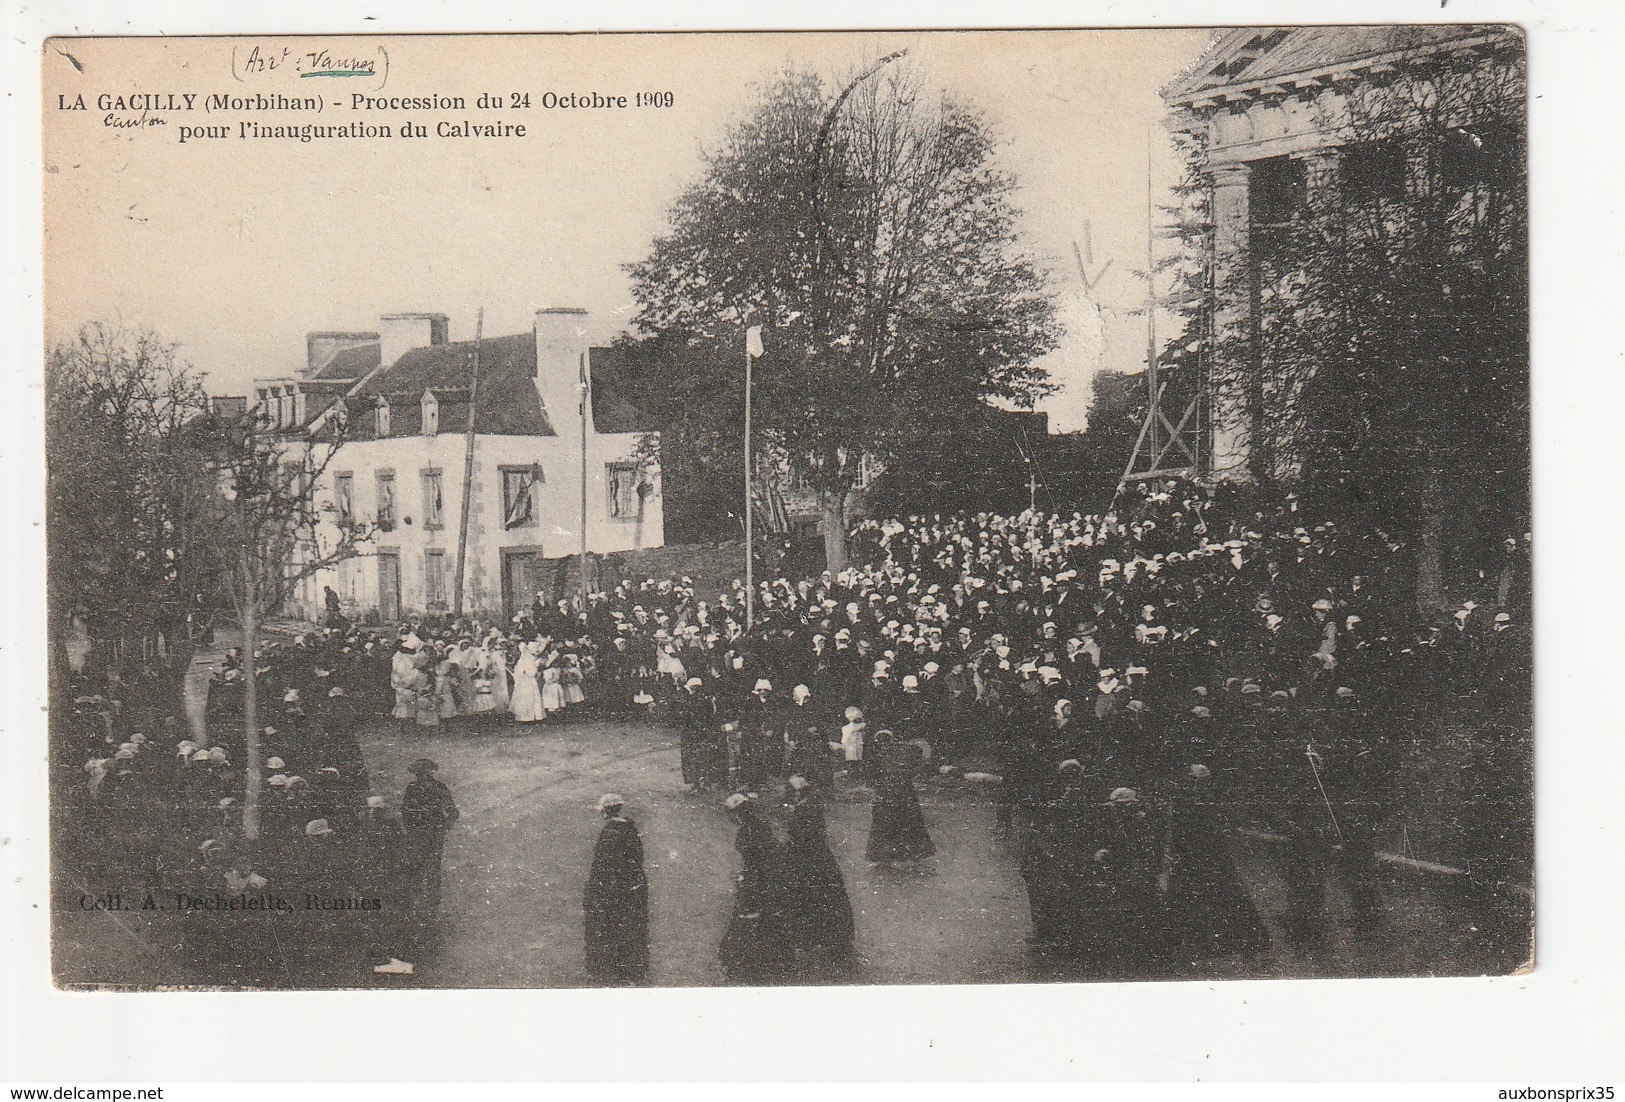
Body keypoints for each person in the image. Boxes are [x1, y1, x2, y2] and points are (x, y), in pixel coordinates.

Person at [781, 776, 855, 974]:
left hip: (807, 861)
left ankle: (813, 938)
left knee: (809, 898)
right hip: (820, 859)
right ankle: (832, 937)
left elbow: (799, 838)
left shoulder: (804, 811)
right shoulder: (811, 806)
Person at [718, 793, 790, 984]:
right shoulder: (760, 825)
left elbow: (757, 857)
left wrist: (747, 876)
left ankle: (751, 958)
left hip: (760, 876)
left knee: (751, 913)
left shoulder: (747, 832)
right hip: (766, 874)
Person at [583, 793, 650, 985]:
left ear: (605, 812)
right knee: (631, 925)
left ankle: (613, 965)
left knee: (610, 924)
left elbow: (602, 864)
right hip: (633, 884)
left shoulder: (609, 832)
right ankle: (633, 964)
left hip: (614, 887)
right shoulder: (630, 828)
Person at [865, 730, 936, 866]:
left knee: (885, 825)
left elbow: (871, 777)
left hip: (886, 794)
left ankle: (885, 856)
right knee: (909, 822)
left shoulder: (878, 756)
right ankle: (914, 854)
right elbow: (918, 768)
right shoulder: (905, 753)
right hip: (904, 793)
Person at [400, 758, 459, 908]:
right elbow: (405, 811)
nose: (423, 776)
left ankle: (429, 900)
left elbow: (452, 812)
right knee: (421, 865)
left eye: (425, 773)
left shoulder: (436, 788)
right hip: (421, 832)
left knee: (429, 866)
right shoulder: (413, 788)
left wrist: (442, 827)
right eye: (420, 773)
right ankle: (423, 900)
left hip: (428, 832)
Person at [510, 642, 544, 723]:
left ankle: (529, 716)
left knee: (529, 696)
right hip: (526, 681)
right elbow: (530, 672)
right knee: (527, 697)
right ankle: (527, 716)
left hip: (527, 681)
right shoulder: (526, 660)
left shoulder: (524, 660)